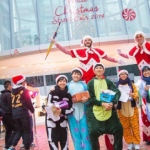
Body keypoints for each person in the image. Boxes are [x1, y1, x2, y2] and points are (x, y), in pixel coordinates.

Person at [53, 35, 124, 83]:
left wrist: (117, 61)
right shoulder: (79, 51)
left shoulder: (97, 51)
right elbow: (66, 51)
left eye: (89, 40)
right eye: (85, 40)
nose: (87, 41)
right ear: (83, 42)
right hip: (85, 77)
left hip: (97, 75)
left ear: (91, 42)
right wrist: (56, 44)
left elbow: (107, 58)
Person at [87, 63, 123, 150]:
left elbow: (117, 92)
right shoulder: (90, 83)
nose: (99, 69)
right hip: (96, 113)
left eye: (100, 68)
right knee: (92, 133)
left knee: (119, 129)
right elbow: (91, 98)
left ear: (103, 70)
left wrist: (112, 103)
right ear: (94, 71)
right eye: (97, 68)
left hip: (109, 112)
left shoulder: (108, 82)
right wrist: (102, 104)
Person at [45, 75, 74, 150]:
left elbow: (71, 108)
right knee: (52, 141)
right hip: (51, 121)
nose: (62, 83)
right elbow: (48, 104)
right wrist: (55, 109)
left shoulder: (68, 95)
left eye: (64, 81)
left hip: (63, 121)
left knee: (64, 141)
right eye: (60, 81)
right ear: (57, 83)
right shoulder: (52, 93)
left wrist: (62, 111)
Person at [67, 68, 91, 150]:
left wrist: (86, 101)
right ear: (72, 75)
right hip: (72, 113)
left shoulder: (84, 85)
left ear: (81, 76)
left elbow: (88, 98)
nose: (76, 75)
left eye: (78, 74)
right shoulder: (67, 86)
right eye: (74, 74)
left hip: (83, 111)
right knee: (75, 135)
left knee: (86, 134)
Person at [8, 75, 34, 150]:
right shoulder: (24, 90)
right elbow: (28, 102)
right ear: (22, 82)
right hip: (23, 114)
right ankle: (26, 147)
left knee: (19, 130)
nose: (25, 82)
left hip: (15, 114)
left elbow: (11, 104)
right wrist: (32, 110)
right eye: (24, 81)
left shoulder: (12, 91)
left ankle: (12, 146)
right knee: (27, 131)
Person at [116, 70, 140, 150]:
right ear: (119, 76)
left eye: (124, 74)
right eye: (121, 74)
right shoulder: (117, 85)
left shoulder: (132, 85)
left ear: (127, 75)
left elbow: (137, 96)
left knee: (135, 126)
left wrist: (133, 95)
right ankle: (129, 142)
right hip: (122, 108)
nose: (123, 75)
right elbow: (115, 97)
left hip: (132, 107)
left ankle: (136, 143)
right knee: (125, 127)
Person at [0, 80, 17, 149]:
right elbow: (11, 106)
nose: (12, 87)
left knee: (8, 131)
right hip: (10, 115)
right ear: (9, 86)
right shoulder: (9, 94)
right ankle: (10, 144)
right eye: (11, 85)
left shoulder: (1, 95)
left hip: (4, 115)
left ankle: (7, 145)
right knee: (16, 130)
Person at [138, 66, 150, 145]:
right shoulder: (141, 82)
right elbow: (142, 95)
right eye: (144, 71)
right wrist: (145, 90)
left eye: (147, 70)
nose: (146, 72)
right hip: (148, 103)